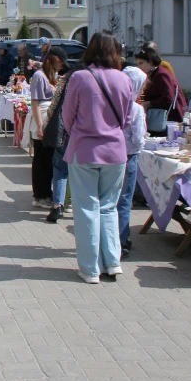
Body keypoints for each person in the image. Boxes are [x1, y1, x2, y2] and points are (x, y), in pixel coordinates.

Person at [62, 33, 133, 284]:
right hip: (115, 150)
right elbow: (127, 118)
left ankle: (91, 268)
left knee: (86, 209)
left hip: (84, 149)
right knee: (109, 207)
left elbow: (67, 116)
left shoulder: (80, 77)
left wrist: (82, 132)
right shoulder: (124, 79)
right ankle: (112, 262)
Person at [119, 65, 148, 259]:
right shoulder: (136, 109)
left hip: (111, 156)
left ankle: (109, 238)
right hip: (129, 156)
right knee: (124, 201)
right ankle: (122, 240)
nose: (144, 89)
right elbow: (138, 139)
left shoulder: (113, 103)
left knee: (109, 201)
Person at [44, 50, 75, 223]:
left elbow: (53, 107)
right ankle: (73, 204)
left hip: (65, 131)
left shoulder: (65, 82)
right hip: (87, 134)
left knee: (60, 168)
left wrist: (50, 122)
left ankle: (58, 206)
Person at [30, 49, 63, 210]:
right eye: (60, 62)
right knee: (41, 160)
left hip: (50, 120)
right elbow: (35, 102)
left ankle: (46, 193)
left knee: (48, 159)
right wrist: (39, 125)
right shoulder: (39, 76)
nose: (61, 66)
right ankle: (39, 195)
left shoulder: (52, 76)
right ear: (54, 60)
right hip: (42, 119)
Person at [135, 49, 187, 136]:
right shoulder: (152, 74)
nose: (139, 67)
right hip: (158, 119)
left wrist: (148, 103)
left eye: (141, 63)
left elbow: (168, 98)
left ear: (151, 63)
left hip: (169, 120)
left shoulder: (161, 75)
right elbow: (147, 93)